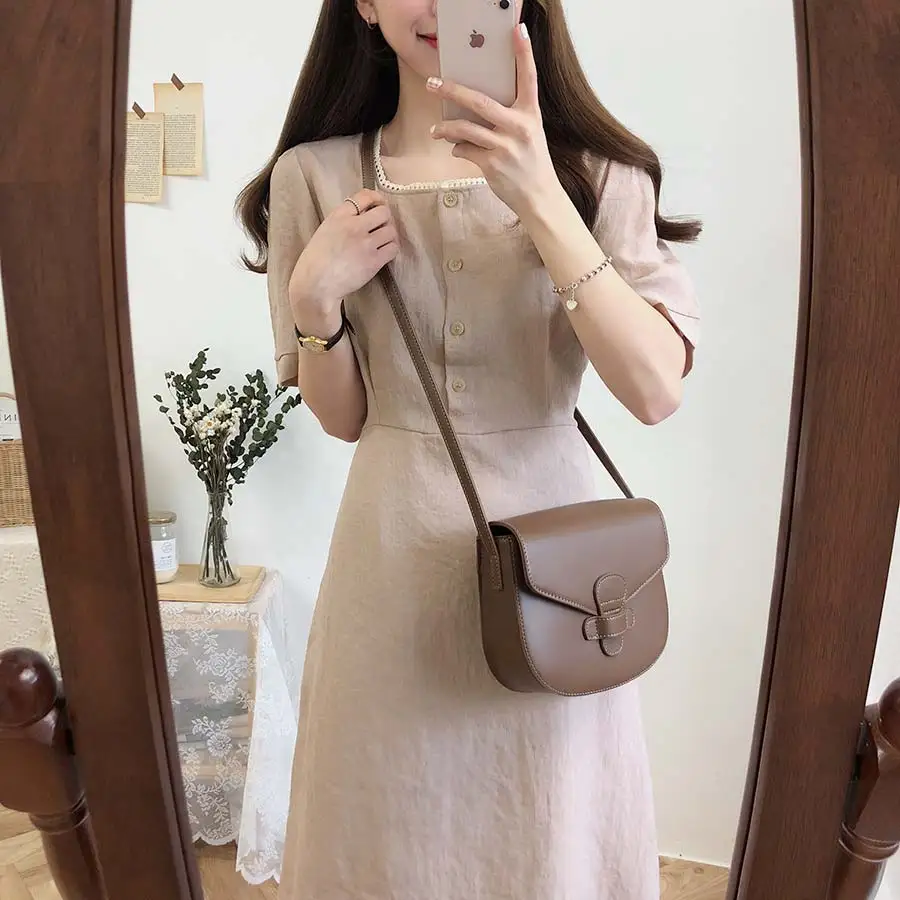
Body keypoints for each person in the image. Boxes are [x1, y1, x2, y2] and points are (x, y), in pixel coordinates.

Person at [236, 0, 701, 896]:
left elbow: (654, 389)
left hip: (561, 583)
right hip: (390, 570)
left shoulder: (598, 174)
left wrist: (539, 196)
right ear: (366, 4)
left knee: (550, 829)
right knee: (387, 835)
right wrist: (314, 303)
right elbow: (343, 417)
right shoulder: (314, 177)